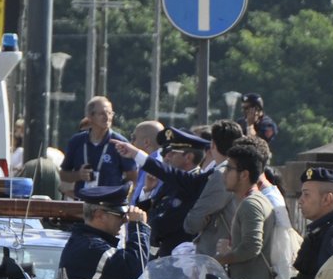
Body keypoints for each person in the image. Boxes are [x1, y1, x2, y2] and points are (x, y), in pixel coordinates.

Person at [109, 127, 211, 257]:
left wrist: (136, 154)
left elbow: (165, 224)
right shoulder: (170, 184)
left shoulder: (196, 184)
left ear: (188, 157)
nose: (167, 156)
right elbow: (152, 211)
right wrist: (147, 192)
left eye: (173, 152)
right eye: (165, 152)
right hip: (162, 256)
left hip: (183, 259)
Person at [214, 139, 280, 279]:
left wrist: (221, 260)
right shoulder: (252, 200)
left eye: (229, 169)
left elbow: (252, 246)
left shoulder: (251, 204)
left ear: (244, 175)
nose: (224, 174)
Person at [182, 119, 244, 257]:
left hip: (215, 256)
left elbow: (193, 222)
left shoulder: (221, 174)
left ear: (213, 145)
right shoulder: (243, 168)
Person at [58, 96, 135, 197]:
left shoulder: (120, 143)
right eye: (102, 113)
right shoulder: (76, 141)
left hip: (108, 205)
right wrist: (78, 175)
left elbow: (133, 176)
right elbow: (63, 175)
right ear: (90, 116)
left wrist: (118, 192)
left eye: (110, 113)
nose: (107, 117)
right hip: (83, 202)